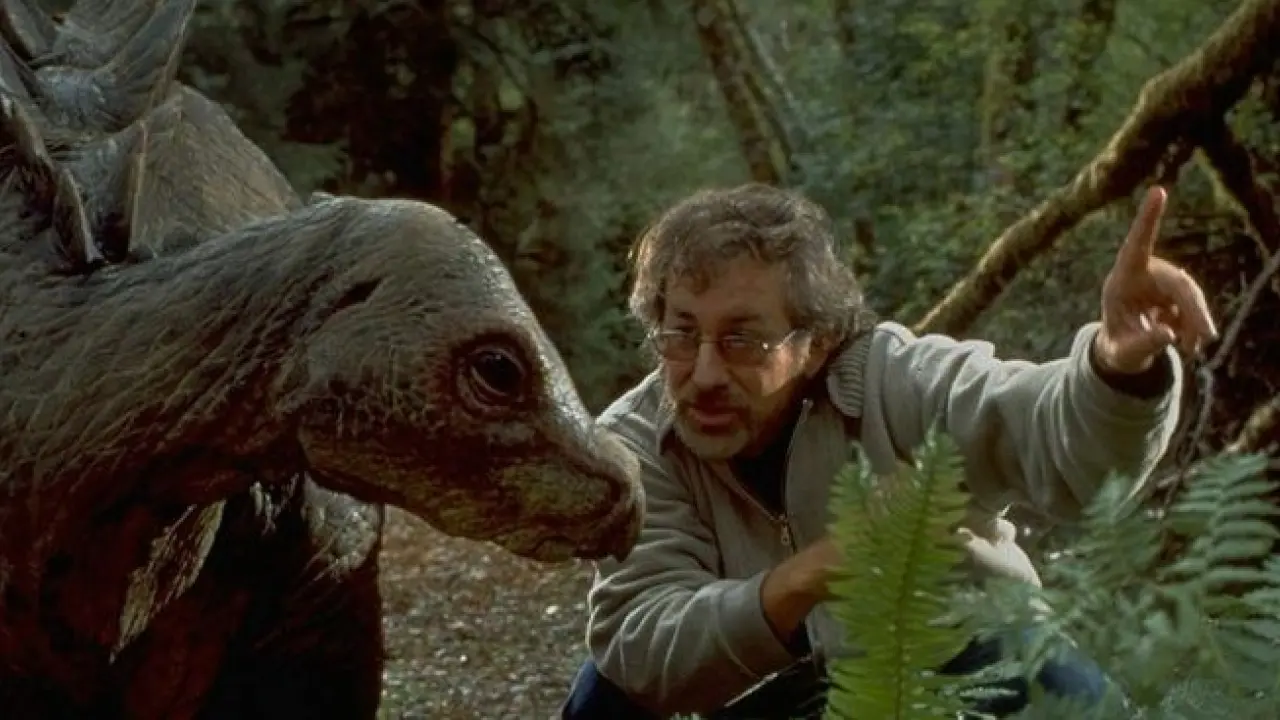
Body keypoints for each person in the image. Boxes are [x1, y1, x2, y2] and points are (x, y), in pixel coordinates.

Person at [560, 183, 1216, 719]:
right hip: (777, 693)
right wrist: (815, 573)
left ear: (814, 342)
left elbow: (1050, 436)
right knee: (601, 698)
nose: (703, 373)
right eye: (680, 334)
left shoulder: (894, 379)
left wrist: (1116, 366)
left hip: (961, 650)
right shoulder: (636, 443)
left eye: (742, 341)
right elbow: (644, 645)